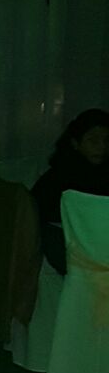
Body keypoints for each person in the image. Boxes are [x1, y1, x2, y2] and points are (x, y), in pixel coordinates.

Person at [32, 108, 109, 273]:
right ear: (75, 143)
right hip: (69, 245)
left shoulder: (104, 172)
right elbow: (40, 213)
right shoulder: (59, 175)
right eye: (93, 140)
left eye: (106, 140)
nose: (102, 147)